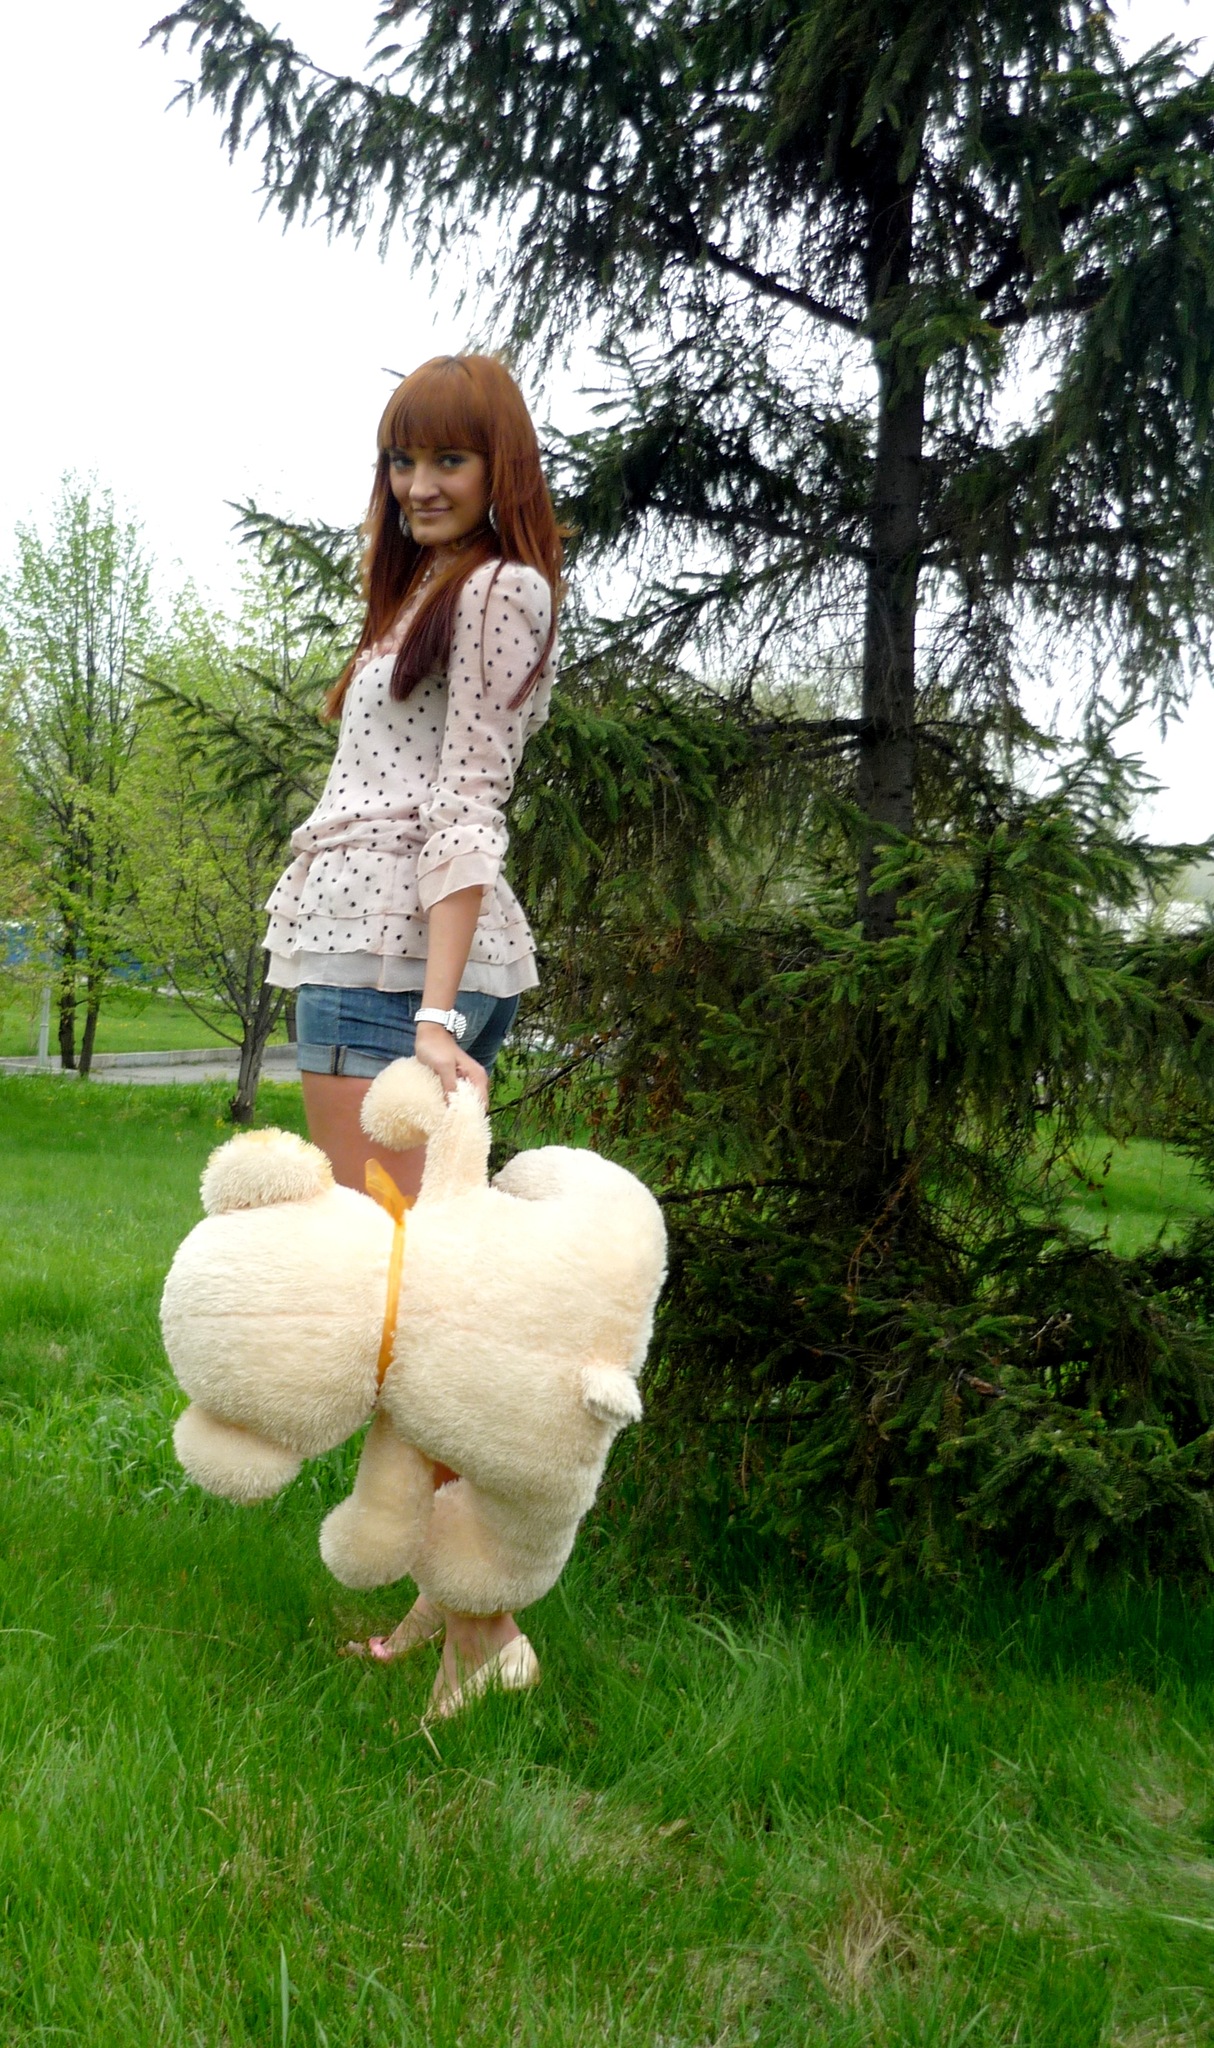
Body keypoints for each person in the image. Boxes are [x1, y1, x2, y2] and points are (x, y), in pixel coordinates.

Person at [263, 353, 563, 1714]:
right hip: (366, 956)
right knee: (403, 1303)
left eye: (449, 458)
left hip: (399, 970)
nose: (420, 484)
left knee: (403, 1318)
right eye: (402, 460)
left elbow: (468, 802)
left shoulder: (498, 590)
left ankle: (486, 1634)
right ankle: (449, 1606)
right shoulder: (424, 594)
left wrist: (437, 1012)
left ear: (500, 468)